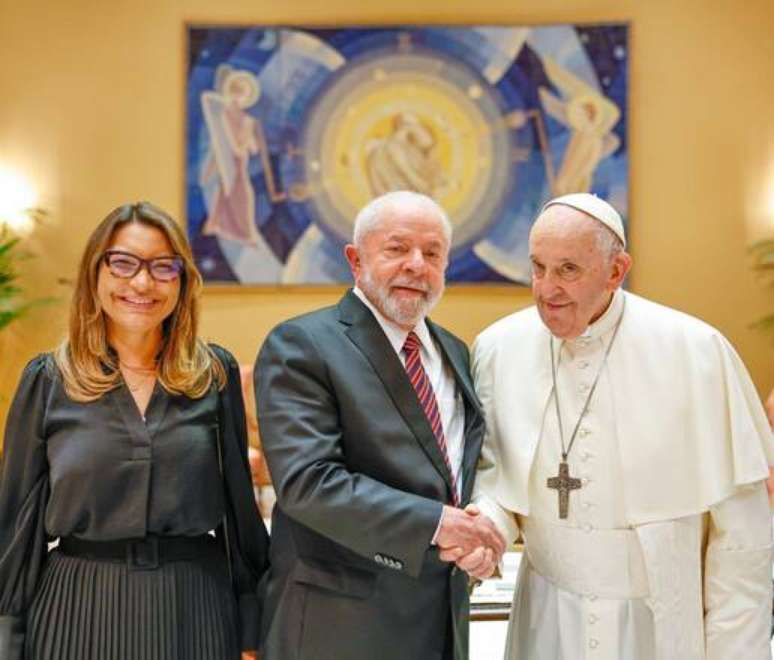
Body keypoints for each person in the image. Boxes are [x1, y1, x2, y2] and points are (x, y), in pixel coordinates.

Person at [469, 193, 774, 660]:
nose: (547, 289)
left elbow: (743, 540)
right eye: (537, 267)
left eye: (568, 269)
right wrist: (485, 524)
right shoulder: (498, 348)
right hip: (546, 619)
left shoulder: (696, 353)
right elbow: (500, 480)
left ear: (616, 271)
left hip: (658, 623)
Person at [0, 202, 270, 660]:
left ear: (182, 282)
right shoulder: (48, 379)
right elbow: (14, 524)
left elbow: (239, 511)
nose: (142, 283)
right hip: (76, 608)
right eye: (123, 263)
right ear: (95, 274)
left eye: (163, 267)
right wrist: (8, 638)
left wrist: (251, 627)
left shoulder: (213, 374)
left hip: (195, 609)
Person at [254, 190, 505, 660]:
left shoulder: (455, 352)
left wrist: (475, 536)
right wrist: (438, 524)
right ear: (355, 259)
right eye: (397, 248)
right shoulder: (302, 345)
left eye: (432, 254)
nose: (416, 264)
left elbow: (455, 475)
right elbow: (309, 484)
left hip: (440, 618)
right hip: (340, 626)